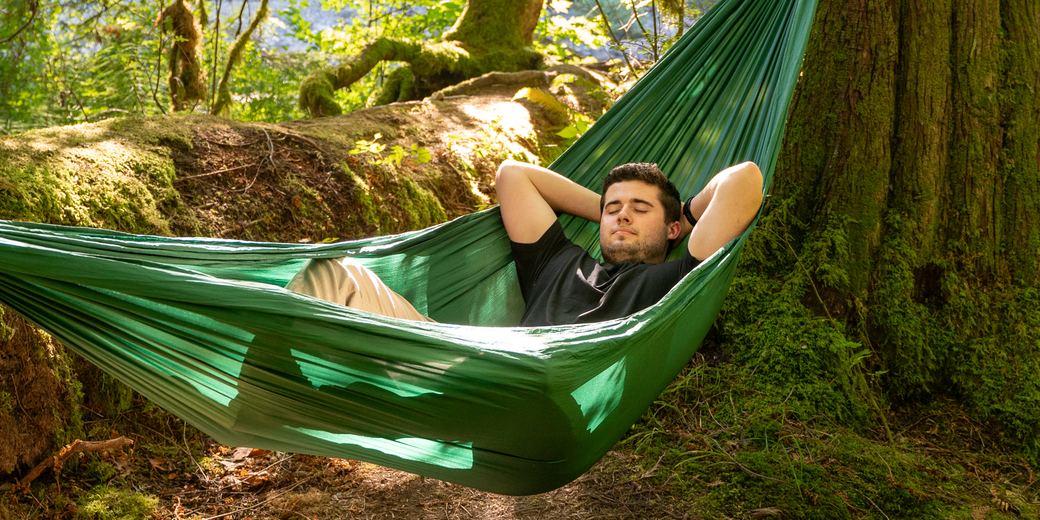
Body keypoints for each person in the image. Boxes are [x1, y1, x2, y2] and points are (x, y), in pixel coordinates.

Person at [285, 158, 764, 326]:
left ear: (674, 229)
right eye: (612, 208)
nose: (621, 216)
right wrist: (607, 206)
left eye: (640, 210)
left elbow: (745, 179)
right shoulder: (558, 262)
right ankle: (271, 403)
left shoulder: (676, 281)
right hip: (469, 362)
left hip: (539, 383)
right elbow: (514, 176)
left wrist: (684, 215)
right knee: (329, 274)